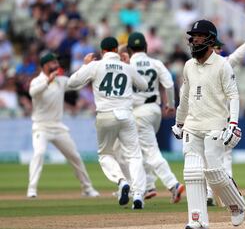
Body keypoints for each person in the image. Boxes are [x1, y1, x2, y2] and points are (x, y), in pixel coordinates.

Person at [172, 19, 245, 229]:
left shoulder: (222, 65)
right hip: (192, 126)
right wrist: (179, 121)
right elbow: (185, 97)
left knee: (214, 171)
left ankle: (237, 205)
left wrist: (233, 123)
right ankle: (198, 219)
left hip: (215, 125)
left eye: (200, 36)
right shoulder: (188, 65)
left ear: (210, 39)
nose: (195, 40)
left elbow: (233, 95)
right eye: (193, 36)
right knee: (192, 172)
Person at [67, 37, 148, 209]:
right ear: (117, 51)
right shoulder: (126, 67)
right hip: (126, 115)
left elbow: (72, 82)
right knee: (134, 155)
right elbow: (144, 85)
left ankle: (121, 181)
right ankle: (139, 194)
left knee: (105, 154)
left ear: (103, 51)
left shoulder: (95, 66)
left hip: (105, 115)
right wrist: (129, 66)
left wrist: (85, 64)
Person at [113, 32, 185, 204]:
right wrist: (171, 104)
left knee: (149, 151)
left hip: (138, 112)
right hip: (155, 110)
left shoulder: (127, 65)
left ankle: (173, 184)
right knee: (140, 149)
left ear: (129, 49)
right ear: (145, 47)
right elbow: (169, 83)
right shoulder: (156, 62)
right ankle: (149, 186)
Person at [27, 52, 99, 198]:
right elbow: (33, 93)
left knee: (75, 156)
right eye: (53, 63)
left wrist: (86, 66)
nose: (57, 65)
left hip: (58, 127)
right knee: (39, 153)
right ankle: (32, 189)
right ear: (45, 66)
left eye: (56, 63)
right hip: (41, 126)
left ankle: (87, 188)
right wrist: (47, 81)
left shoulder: (60, 81)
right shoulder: (37, 81)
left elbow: (76, 81)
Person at [207, 21, 245, 206]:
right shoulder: (221, 64)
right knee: (219, 156)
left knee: (213, 155)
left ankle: (211, 193)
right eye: (216, 48)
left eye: (220, 48)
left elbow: (238, 54)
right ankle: (221, 193)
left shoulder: (222, 64)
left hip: (216, 117)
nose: (220, 50)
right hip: (216, 117)